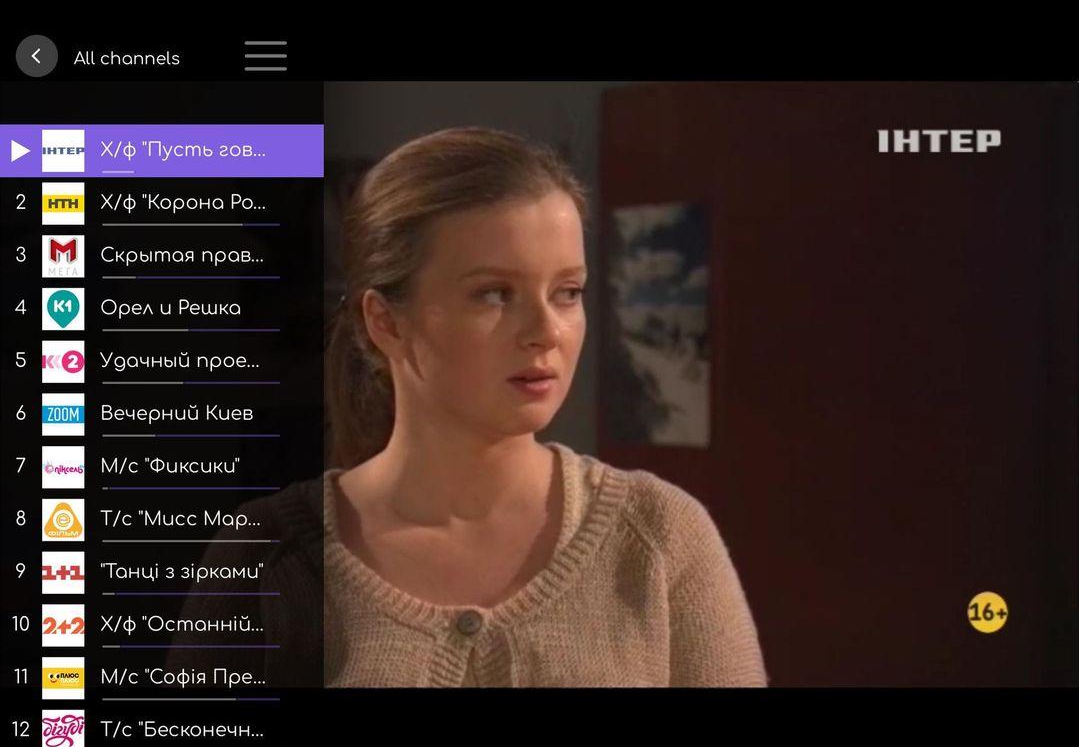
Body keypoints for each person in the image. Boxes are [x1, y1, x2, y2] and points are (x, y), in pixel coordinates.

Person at [170, 127, 769, 688]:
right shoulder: (268, 557)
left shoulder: (659, 536)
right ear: (386, 321)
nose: (546, 331)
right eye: (494, 294)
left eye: (567, 292)